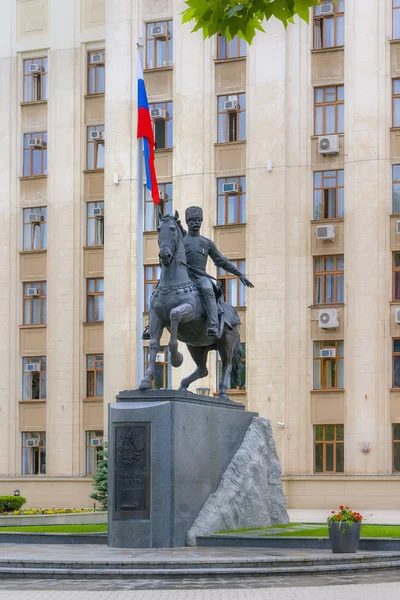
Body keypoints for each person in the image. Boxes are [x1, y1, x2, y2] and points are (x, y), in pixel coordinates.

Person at [184, 206, 253, 337]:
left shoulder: (206, 243)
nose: (196, 223)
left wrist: (239, 274)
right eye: (193, 220)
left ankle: (214, 324)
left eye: (199, 220)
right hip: (184, 277)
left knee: (208, 289)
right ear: (187, 222)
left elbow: (221, 260)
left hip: (200, 277)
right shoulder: (181, 242)